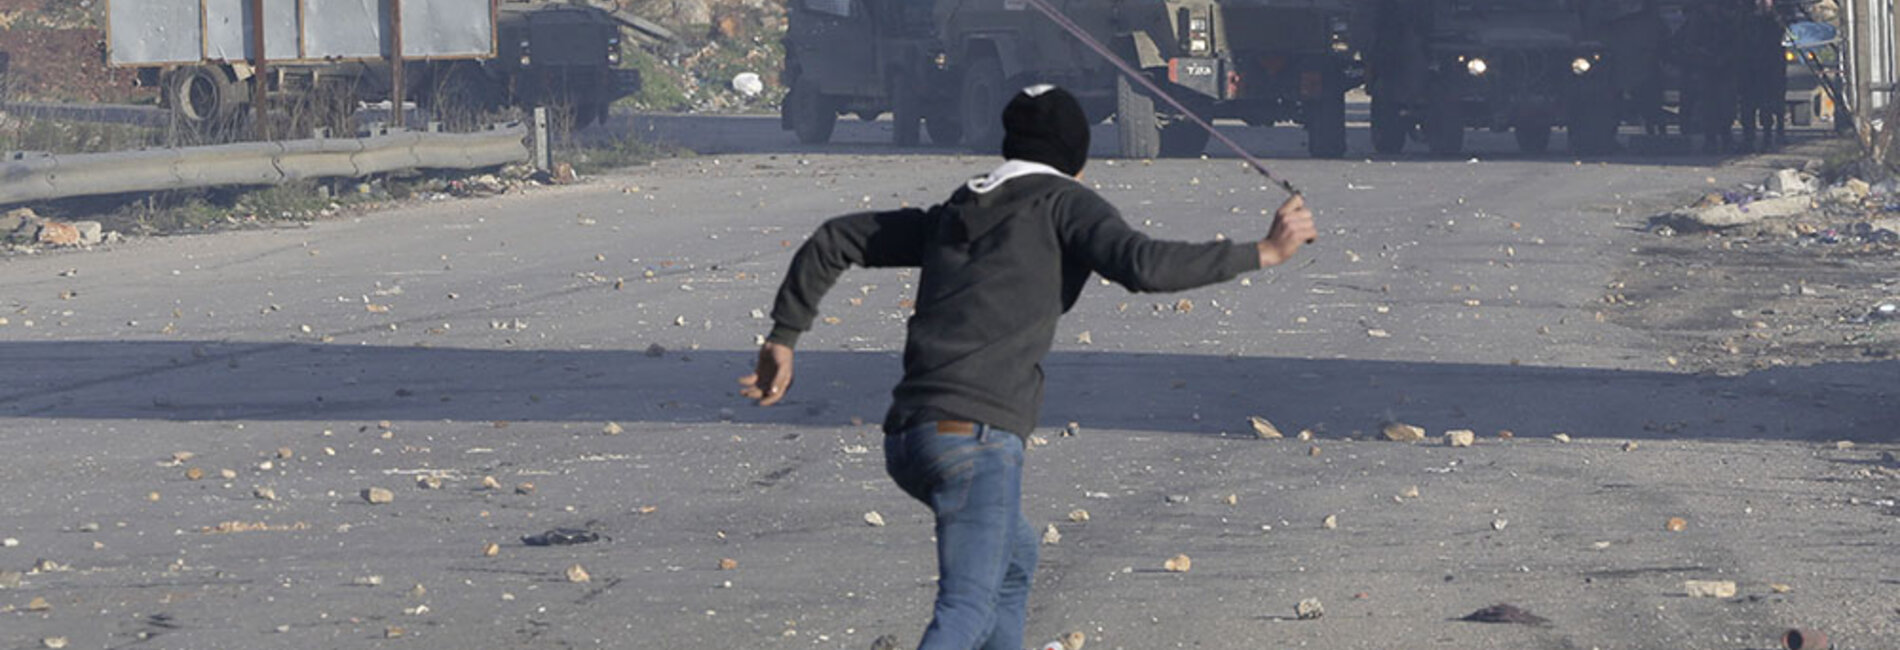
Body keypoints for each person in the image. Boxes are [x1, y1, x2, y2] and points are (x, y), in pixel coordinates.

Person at [740, 84, 1316, 650]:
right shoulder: (1065, 203)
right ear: (1078, 157)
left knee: (1015, 563)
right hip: (976, 439)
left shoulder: (959, 209)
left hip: (912, 438)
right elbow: (1143, 264)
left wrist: (784, 336)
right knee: (966, 607)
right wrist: (1262, 251)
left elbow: (835, 238)